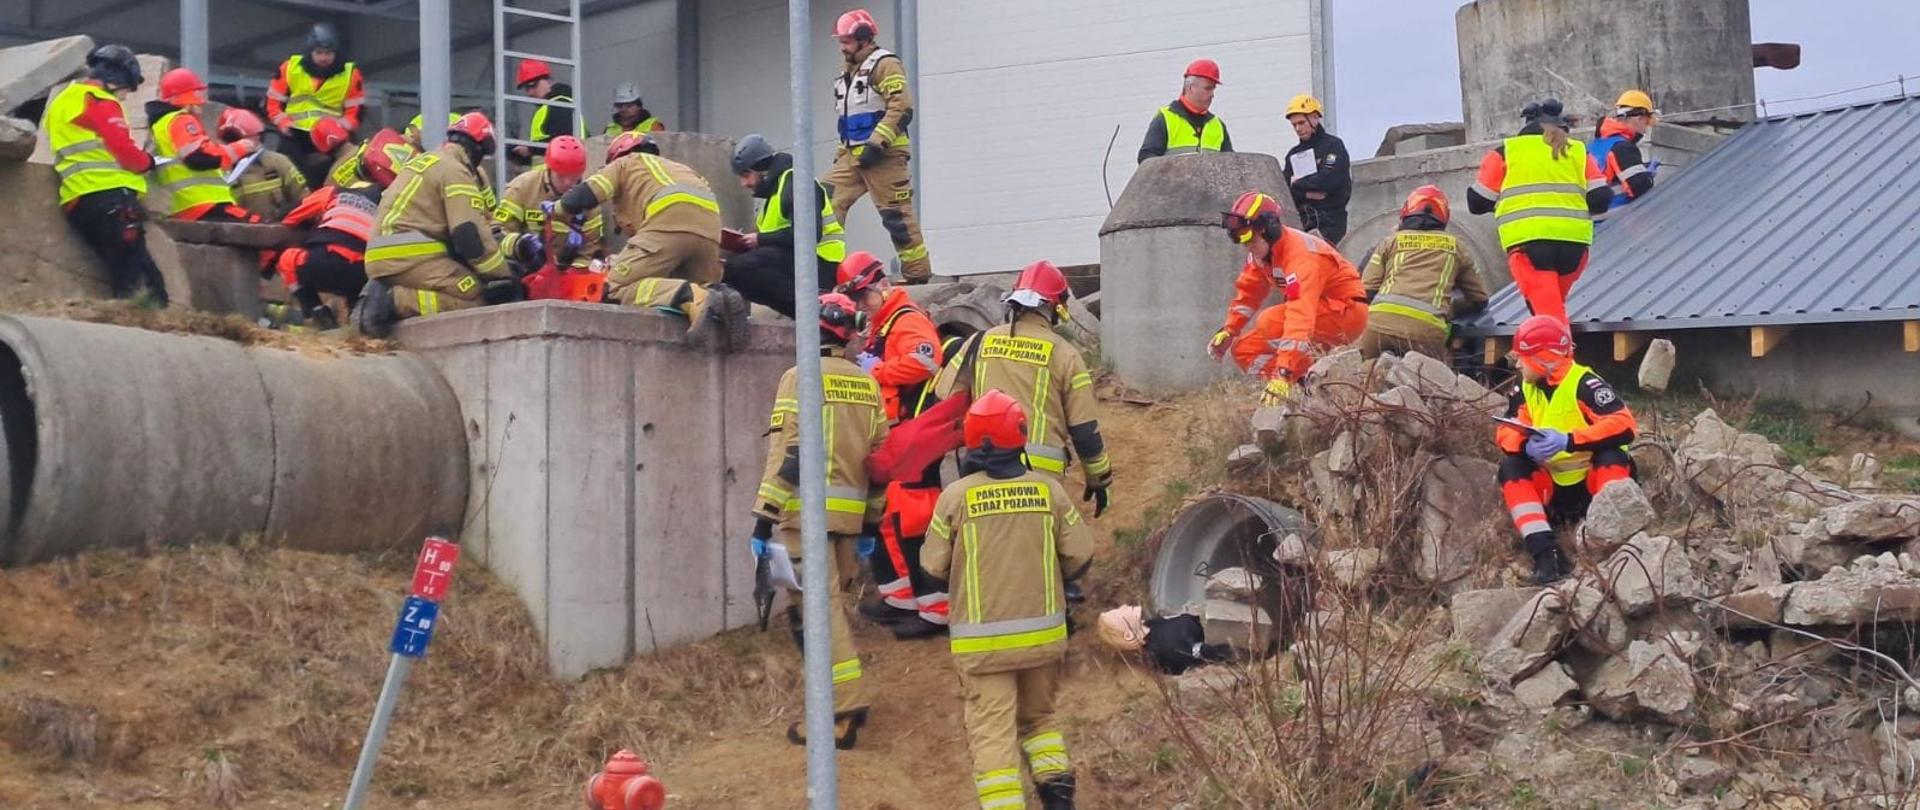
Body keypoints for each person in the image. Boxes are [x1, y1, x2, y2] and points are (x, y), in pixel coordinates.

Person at [922, 390, 1093, 810]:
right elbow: (1080, 555)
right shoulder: (1049, 491)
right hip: (1043, 640)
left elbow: (932, 566)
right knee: (1041, 722)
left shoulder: (955, 497)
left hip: (983, 648)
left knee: (992, 736)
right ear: (1020, 434)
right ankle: (1060, 802)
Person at [749, 292, 889, 749]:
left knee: (817, 613)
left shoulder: (799, 377)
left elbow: (787, 452)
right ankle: (838, 699)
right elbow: (880, 463)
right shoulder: (867, 385)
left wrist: (763, 517)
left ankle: (841, 709)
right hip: (849, 521)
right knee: (821, 610)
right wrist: (870, 525)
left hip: (803, 515)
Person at [934, 261, 1113, 515]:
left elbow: (945, 398)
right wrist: (1099, 478)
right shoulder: (1066, 355)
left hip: (981, 467)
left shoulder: (978, 342)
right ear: (1055, 307)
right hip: (1040, 477)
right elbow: (1084, 430)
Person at [838, 252, 949, 639]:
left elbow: (926, 361)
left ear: (883, 286)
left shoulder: (906, 319)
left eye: (863, 296)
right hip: (898, 437)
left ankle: (936, 610)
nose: (860, 305)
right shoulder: (884, 324)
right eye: (855, 299)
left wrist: (879, 371)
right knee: (891, 518)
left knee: (914, 520)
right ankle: (902, 599)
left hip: (914, 437)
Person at [552, 133, 749, 346]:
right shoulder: (682, 170)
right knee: (697, 282)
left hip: (669, 223)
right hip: (709, 233)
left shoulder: (625, 164)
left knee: (615, 287)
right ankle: (722, 296)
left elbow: (585, 195)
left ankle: (690, 296)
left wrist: (556, 209)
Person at [355, 113, 529, 337]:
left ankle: (383, 293)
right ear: (477, 148)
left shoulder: (427, 161)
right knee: (477, 295)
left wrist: (510, 246)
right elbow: (468, 237)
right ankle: (394, 300)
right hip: (410, 257)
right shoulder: (456, 171)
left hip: (383, 255)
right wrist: (502, 275)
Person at [1496, 314, 1637, 585]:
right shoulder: (1525, 388)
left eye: (1522, 358)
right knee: (1512, 467)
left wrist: (1570, 440)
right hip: (1554, 492)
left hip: (1592, 486)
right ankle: (1546, 555)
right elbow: (1505, 429)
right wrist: (1525, 445)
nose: (1518, 364)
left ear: (1542, 359)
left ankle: (1616, 546)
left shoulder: (1585, 383)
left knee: (1612, 456)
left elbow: (1624, 425)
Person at [1209, 191, 1368, 405]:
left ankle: (1297, 379)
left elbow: (1300, 314)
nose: (1245, 245)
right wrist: (1229, 331)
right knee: (1244, 349)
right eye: (1238, 238)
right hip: (1319, 311)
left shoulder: (1301, 257)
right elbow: (1247, 295)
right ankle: (1301, 388)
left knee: (1269, 321)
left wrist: (1283, 371)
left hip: (1346, 313)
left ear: (1268, 229)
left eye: (1248, 237)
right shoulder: (1261, 255)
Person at [1467, 98, 1613, 324]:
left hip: (1529, 245)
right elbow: (1600, 199)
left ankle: (1555, 346)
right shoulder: (1578, 151)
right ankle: (1548, 344)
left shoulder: (1507, 151)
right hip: (1575, 247)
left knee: (1548, 316)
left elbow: (1477, 202)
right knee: (1552, 308)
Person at [49, 45, 167, 304]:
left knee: (125, 273)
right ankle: (140, 324)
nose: (125, 97)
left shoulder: (63, 101)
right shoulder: (100, 100)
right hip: (110, 197)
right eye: (127, 89)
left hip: (78, 199)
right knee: (142, 284)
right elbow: (125, 153)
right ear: (117, 80)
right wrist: (148, 162)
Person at [826, 8, 933, 284]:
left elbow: (902, 107)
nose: (842, 47)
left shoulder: (885, 65)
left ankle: (917, 274)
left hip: (884, 156)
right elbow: (847, 120)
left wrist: (877, 143)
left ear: (863, 38)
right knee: (824, 203)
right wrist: (842, 154)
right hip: (852, 156)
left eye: (846, 41)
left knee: (895, 215)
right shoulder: (847, 71)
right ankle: (825, 271)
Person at [273, 129, 410, 330]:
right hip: (363, 271)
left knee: (288, 259)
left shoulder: (332, 191)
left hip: (325, 261)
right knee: (356, 296)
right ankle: (357, 321)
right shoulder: (388, 204)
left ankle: (316, 311)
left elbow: (291, 219)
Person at [1357, 185, 1489, 361]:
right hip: (1425, 331)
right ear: (1444, 217)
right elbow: (1480, 298)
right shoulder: (1457, 247)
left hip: (1377, 327)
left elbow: (1366, 289)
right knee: (1436, 377)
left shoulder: (1390, 242)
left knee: (1365, 373)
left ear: (1406, 212)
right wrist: (1451, 308)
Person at [722, 133, 846, 316]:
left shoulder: (796, 183)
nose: (744, 183)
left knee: (740, 267)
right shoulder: (775, 193)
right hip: (798, 263)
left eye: (746, 175)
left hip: (822, 266)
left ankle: (817, 310)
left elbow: (808, 234)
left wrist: (760, 240)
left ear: (762, 170)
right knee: (734, 270)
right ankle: (808, 313)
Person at [147, 68, 261, 224]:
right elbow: (198, 157)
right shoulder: (181, 119)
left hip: (188, 205)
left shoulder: (162, 124)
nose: (201, 99)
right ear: (189, 96)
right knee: (261, 227)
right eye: (197, 93)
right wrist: (239, 148)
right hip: (203, 204)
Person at [267, 23, 365, 189]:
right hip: (295, 134)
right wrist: (283, 123)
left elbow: (356, 111)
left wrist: (341, 130)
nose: (323, 58)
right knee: (286, 175)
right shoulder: (290, 68)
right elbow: (273, 102)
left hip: (331, 138)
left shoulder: (350, 73)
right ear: (310, 51)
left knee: (337, 176)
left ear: (336, 52)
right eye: (319, 53)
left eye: (328, 53)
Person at [494, 134, 603, 265]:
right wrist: (520, 245)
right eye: (561, 176)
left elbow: (589, 252)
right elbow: (498, 234)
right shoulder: (522, 187)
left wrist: (575, 271)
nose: (568, 183)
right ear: (549, 169)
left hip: (566, 269)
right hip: (526, 268)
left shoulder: (589, 198)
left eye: (574, 176)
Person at [1280, 94, 1351, 245]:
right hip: (1302, 223)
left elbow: (1328, 181)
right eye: (1294, 125)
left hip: (1331, 222)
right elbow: (1285, 191)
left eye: (1301, 123)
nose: (1298, 129)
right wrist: (1307, 192)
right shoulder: (1293, 155)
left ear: (1314, 118)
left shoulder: (1333, 146)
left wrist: (1297, 184)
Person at [220, 108, 308, 220]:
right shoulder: (218, 170)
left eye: (257, 137)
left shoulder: (276, 162)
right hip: (232, 229)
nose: (238, 144)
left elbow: (304, 198)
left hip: (274, 228)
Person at [1137, 59, 1232, 163]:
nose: (1212, 95)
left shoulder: (1218, 125)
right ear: (1190, 87)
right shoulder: (1165, 119)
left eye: (1213, 89)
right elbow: (1146, 160)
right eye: (1207, 88)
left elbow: (1230, 164)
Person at [1591, 90, 1658, 210]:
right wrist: (1648, 177)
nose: (1646, 129)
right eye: (1647, 122)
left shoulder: (1595, 145)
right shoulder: (1623, 148)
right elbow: (1640, 188)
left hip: (1597, 216)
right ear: (1638, 118)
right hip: (1617, 213)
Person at [510, 58, 582, 168]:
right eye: (526, 88)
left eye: (533, 85)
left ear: (548, 81)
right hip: (556, 173)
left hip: (564, 173)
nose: (530, 93)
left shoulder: (560, 104)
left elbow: (564, 142)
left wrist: (530, 149)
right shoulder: (550, 107)